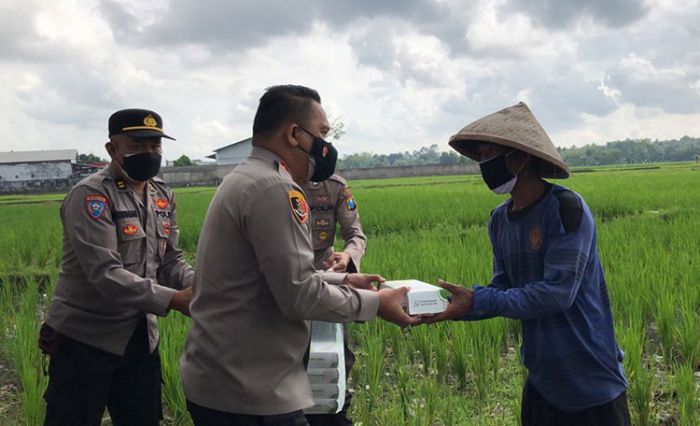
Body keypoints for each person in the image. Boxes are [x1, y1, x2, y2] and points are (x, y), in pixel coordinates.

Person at [180, 85, 414, 426]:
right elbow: (298, 293)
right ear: (294, 134)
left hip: (227, 381)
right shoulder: (275, 188)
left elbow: (271, 275)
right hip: (249, 393)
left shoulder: (244, 177)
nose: (326, 145)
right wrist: (376, 303)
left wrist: (344, 277)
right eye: (321, 134)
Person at [425, 102, 630, 426]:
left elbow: (557, 293)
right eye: (479, 155)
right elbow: (504, 287)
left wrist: (479, 299)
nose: (483, 164)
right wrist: (458, 306)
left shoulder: (565, 208)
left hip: (591, 380)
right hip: (542, 379)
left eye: (488, 153)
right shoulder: (499, 220)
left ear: (519, 157)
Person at [39, 108, 194, 426]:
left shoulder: (162, 194)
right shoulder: (91, 196)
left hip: (140, 338)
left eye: (155, 146)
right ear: (113, 149)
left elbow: (170, 261)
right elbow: (105, 274)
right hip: (85, 340)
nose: (149, 153)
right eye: (137, 145)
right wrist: (175, 300)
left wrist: (205, 286)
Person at [303, 175, 366, 426]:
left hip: (328, 275)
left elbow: (355, 234)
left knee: (335, 353)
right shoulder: (276, 181)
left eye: (326, 133)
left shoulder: (336, 187)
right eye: (321, 132)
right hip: (284, 273)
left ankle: (335, 409)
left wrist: (347, 257)